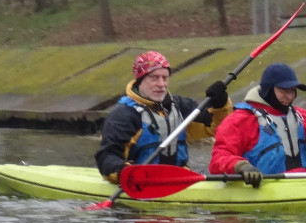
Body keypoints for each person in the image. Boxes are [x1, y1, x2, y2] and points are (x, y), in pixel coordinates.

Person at [95, 50, 232, 184]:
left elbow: (219, 128)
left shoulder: (181, 106)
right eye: (154, 78)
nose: (161, 84)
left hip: (180, 179)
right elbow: (107, 156)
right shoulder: (123, 115)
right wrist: (125, 172)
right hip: (139, 182)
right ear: (140, 80)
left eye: (164, 78)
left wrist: (220, 104)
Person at [209, 62, 306, 187]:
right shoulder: (240, 120)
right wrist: (240, 166)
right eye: (284, 91)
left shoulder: (303, 117)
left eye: (292, 91)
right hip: (261, 188)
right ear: (268, 89)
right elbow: (218, 159)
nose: (289, 97)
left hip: (303, 183)